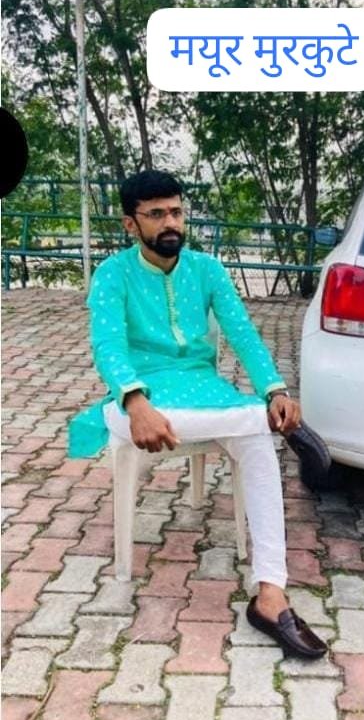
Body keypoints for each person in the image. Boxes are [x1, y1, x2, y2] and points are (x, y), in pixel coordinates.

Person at [68, 169, 327, 659]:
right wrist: (136, 402)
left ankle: (271, 594)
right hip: (137, 399)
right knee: (255, 425)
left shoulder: (207, 270)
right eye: (157, 214)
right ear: (130, 224)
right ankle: (279, 426)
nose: (171, 223)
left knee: (255, 436)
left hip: (206, 393)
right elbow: (107, 345)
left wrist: (274, 388)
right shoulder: (113, 275)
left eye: (177, 212)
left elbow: (243, 332)